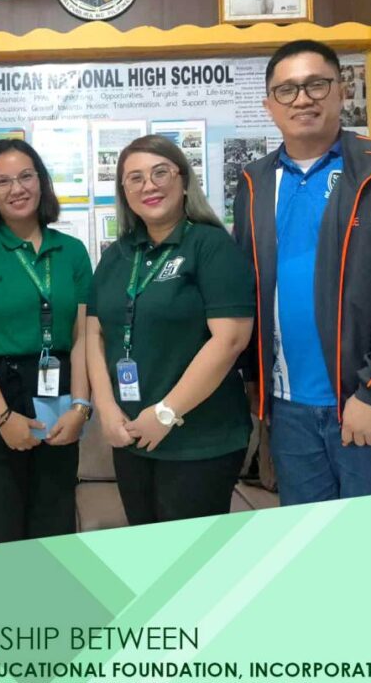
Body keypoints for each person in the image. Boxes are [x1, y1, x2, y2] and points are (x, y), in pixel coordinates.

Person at [233, 38, 371, 505]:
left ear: (341, 91)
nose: (302, 99)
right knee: (311, 545)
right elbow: (249, 288)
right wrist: (255, 388)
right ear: (269, 105)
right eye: (287, 89)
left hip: (369, 405)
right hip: (288, 412)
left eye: (316, 85)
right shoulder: (254, 181)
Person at [86, 135, 255, 525]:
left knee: (191, 558)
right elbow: (94, 333)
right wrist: (106, 409)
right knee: (149, 552)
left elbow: (230, 339)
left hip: (200, 440)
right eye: (135, 178)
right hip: (131, 436)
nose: (149, 185)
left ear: (183, 180)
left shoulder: (210, 245)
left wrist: (166, 413)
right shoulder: (118, 255)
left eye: (160, 172)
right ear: (124, 191)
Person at [0, 139, 93, 545]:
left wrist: (81, 406)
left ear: (41, 181)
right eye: (3, 181)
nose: (17, 189)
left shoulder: (72, 251)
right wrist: (2, 418)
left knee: (55, 519)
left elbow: (82, 338)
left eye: (26, 176)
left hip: (57, 394)